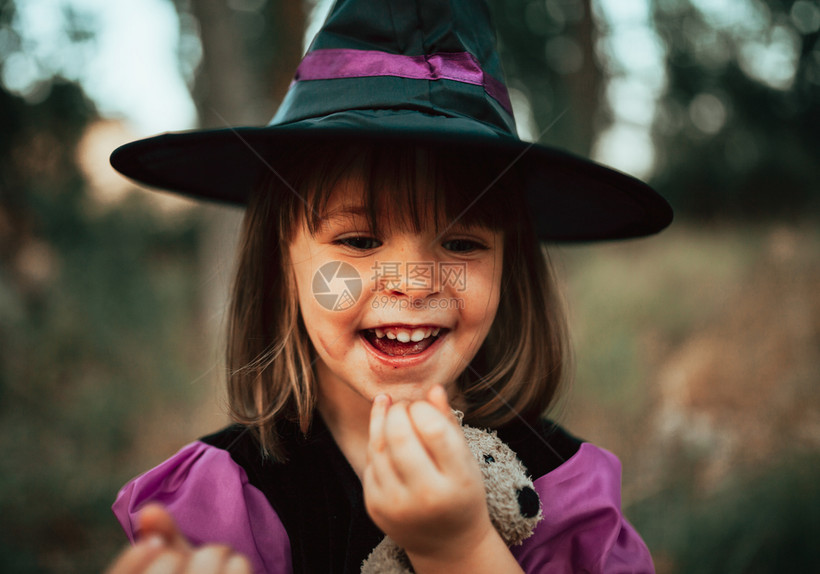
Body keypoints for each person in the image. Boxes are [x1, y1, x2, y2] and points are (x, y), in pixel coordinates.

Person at [106, 0, 672, 572]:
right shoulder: (225, 504)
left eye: (462, 243)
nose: (414, 283)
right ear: (283, 265)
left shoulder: (561, 493)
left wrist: (458, 550)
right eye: (357, 242)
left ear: (510, 268)